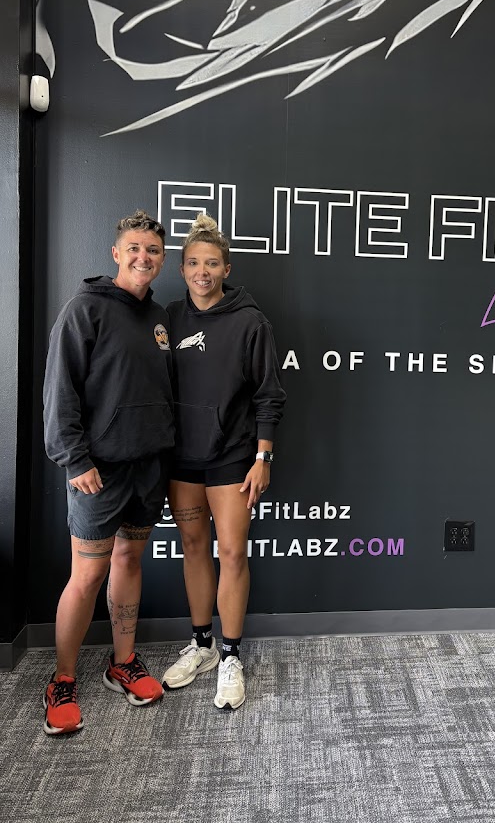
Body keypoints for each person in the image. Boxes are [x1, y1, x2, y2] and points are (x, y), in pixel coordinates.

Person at [42, 210, 173, 735]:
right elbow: (60, 389)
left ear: (162, 259)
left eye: (153, 250)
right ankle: (62, 680)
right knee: (88, 575)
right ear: (117, 253)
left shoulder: (159, 317)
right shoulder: (86, 308)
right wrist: (74, 459)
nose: (144, 257)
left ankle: (122, 663)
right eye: (134, 248)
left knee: (128, 561)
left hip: (148, 468)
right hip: (97, 471)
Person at [162, 214, 285, 710]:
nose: (202, 272)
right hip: (181, 459)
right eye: (193, 263)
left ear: (226, 269)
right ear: (182, 268)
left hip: (233, 456)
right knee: (194, 548)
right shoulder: (168, 319)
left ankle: (231, 655)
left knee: (232, 553)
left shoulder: (251, 322)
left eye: (212, 263)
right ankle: (203, 646)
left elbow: (268, 395)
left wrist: (263, 456)